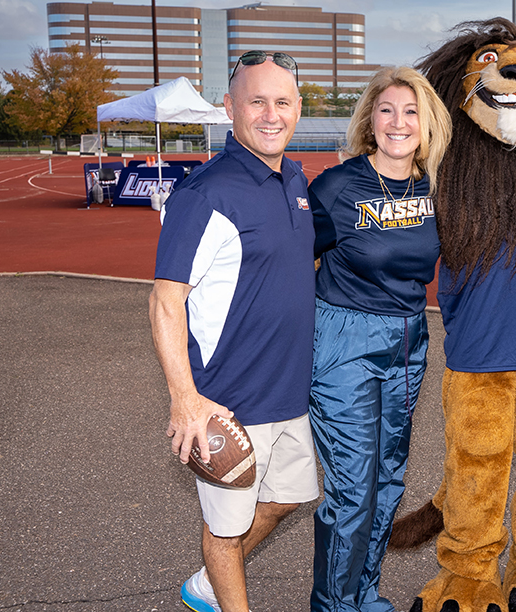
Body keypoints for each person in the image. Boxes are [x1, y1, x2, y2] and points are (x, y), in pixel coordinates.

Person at [149, 51, 319, 612]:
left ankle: (206, 584)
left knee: (288, 500)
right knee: (224, 529)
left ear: (298, 108)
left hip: (289, 395)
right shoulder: (205, 193)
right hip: (229, 403)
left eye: (283, 101)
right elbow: (165, 300)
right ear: (229, 107)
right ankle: (224, 597)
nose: (271, 115)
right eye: (256, 101)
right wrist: (185, 402)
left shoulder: (294, 176)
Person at [306, 66, 451, 612]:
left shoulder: (435, 186)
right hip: (345, 340)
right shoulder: (338, 187)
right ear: (370, 119)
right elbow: (290, 261)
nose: (398, 122)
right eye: (387, 110)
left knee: (388, 479)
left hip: (410, 342)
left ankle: (363, 593)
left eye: (411, 111)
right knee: (351, 490)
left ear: (426, 121)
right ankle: (333, 605)